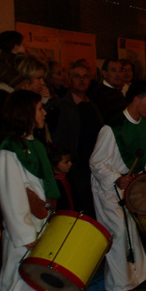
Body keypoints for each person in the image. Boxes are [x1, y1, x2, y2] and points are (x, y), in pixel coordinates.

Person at [0, 90, 72, 291]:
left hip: (42, 226)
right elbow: (11, 196)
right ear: (25, 112)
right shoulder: (9, 150)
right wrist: (27, 236)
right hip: (25, 235)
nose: (44, 112)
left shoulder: (36, 145)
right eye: (39, 108)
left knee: (43, 289)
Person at [89, 81, 146, 291]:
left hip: (130, 186)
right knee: (119, 233)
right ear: (136, 98)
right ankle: (117, 285)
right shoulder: (112, 128)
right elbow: (96, 162)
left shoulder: (144, 125)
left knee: (132, 231)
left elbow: (145, 157)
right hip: (108, 188)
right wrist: (116, 178)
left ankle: (140, 277)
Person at [47, 63, 104, 218]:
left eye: (85, 76)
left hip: (94, 168)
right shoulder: (60, 106)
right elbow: (58, 138)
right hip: (73, 169)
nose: (82, 80)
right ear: (69, 80)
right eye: (77, 76)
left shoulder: (93, 106)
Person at [88, 59, 127, 124]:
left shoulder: (119, 90)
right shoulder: (100, 94)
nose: (118, 74)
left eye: (121, 70)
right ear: (104, 74)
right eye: (114, 71)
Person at [48, 144, 75, 211]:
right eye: (66, 162)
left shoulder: (69, 177)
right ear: (54, 164)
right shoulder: (52, 183)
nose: (70, 164)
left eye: (70, 161)